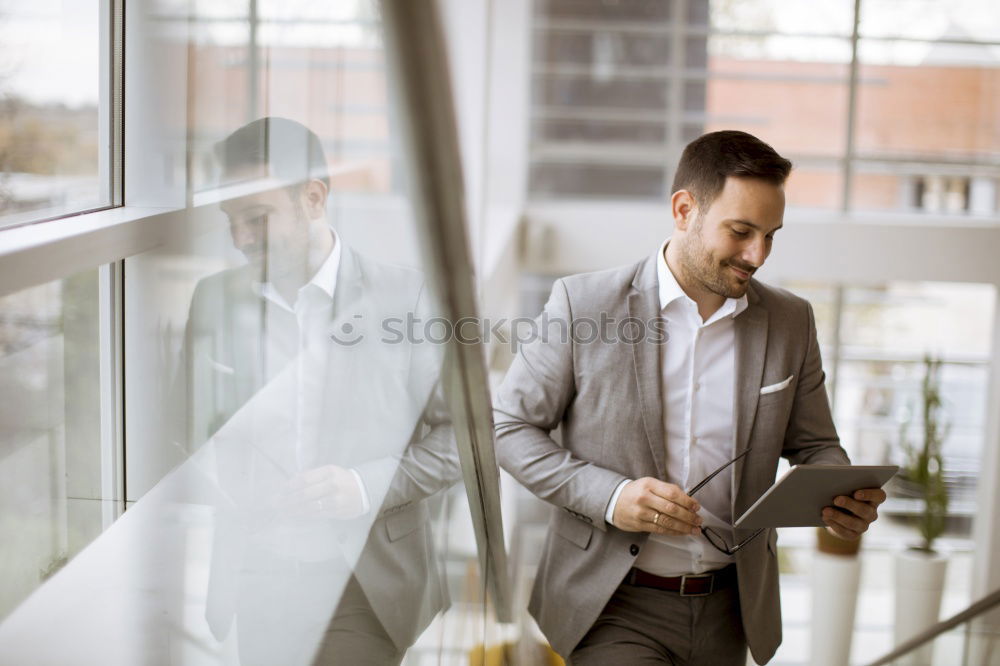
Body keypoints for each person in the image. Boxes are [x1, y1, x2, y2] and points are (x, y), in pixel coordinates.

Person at [493, 130, 886, 665]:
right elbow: (508, 429)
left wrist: (840, 494)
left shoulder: (792, 321)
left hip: (732, 611)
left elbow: (816, 444)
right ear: (684, 210)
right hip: (613, 603)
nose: (758, 255)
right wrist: (612, 497)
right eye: (741, 231)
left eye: (771, 235)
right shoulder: (583, 305)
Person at [172, 117, 459, 666]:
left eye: (256, 218)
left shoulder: (408, 297)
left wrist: (363, 484)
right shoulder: (212, 299)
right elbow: (179, 431)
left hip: (363, 584)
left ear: (313, 197)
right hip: (257, 581)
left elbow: (464, 442)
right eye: (230, 221)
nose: (240, 239)